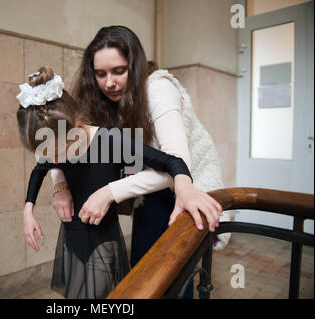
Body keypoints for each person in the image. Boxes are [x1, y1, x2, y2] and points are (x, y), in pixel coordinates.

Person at [50, 26, 233, 298]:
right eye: (101, 74)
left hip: (186, 186)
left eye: (119, 71)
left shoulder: (158, 89)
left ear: (134, 67)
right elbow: (55, 139)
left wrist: (108, 192)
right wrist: (60, 185)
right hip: (153, 187)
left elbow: (177, 164)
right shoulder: (99, 97)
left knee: (172, 276)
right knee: (145, 268)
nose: (109, 82)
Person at [17, 67, 222, 299]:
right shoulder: (55, 146)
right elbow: (40, 168)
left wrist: (185, 188)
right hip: (72, 239)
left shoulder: (110, 140)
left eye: (60, 153)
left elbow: (174, 163)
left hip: (102, 243)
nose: (54, 162)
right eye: (48, 154)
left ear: (77, 127)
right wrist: (28, 209)